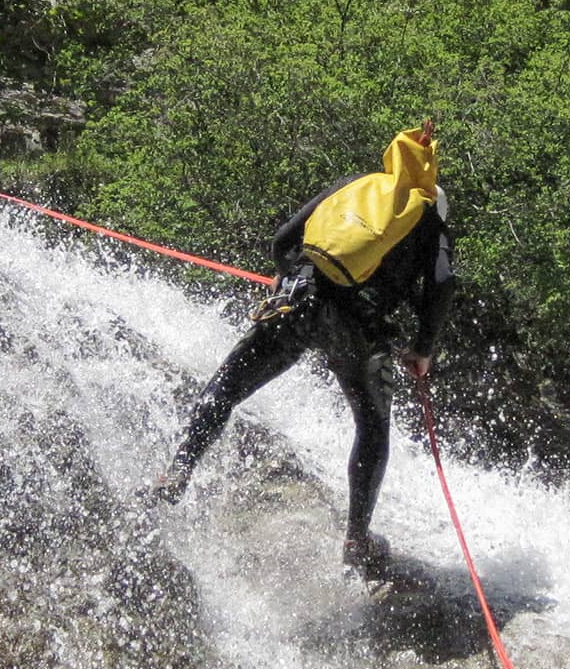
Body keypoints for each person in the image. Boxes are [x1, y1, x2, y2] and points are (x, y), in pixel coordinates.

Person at [156, 123, 455, 578]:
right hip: (359, 329)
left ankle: (178, 469)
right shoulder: (430, 218)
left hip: (299, 298)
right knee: (372, 428)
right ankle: (357, 538)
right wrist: (423, 349)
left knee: (230, 385)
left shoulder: (355, 186)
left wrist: (286, 277)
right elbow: (442, 284)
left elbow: (282, 241)